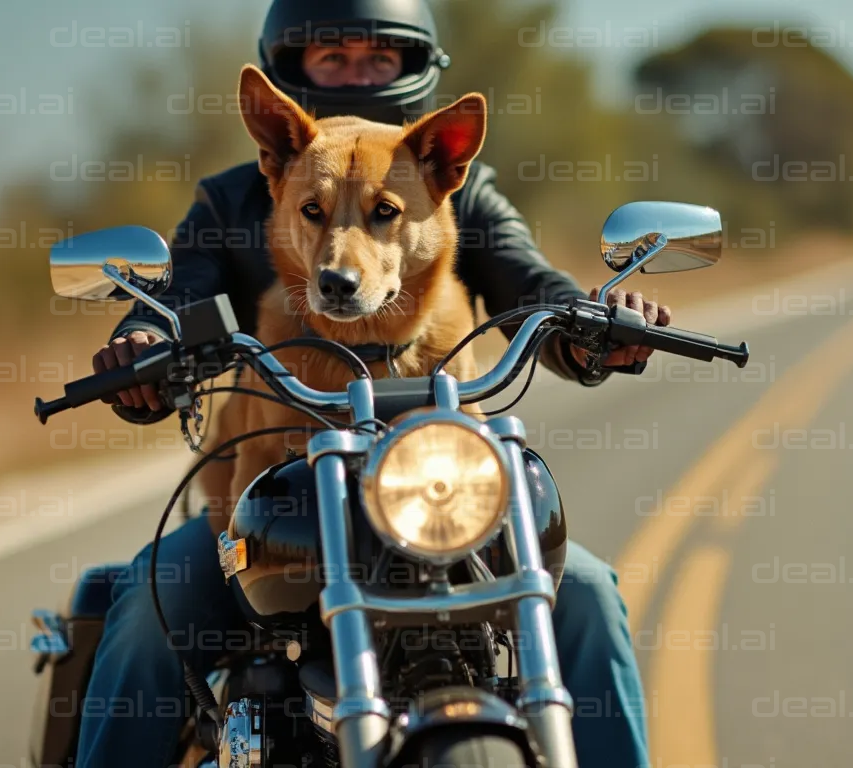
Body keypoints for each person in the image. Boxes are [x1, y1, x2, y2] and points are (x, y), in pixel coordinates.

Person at [77, 1, 668, 766]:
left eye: (377, 57)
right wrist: (147, 342)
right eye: (333, 57)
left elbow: (529, 283)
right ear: (290, 79)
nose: (339, 260)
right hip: (266, 515)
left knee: (586, 595)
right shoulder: (234, 197)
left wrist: (594, 325)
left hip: (441, 505)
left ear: (413, 71)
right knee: (146, 609)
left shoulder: (461, 189)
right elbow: (181, 292)